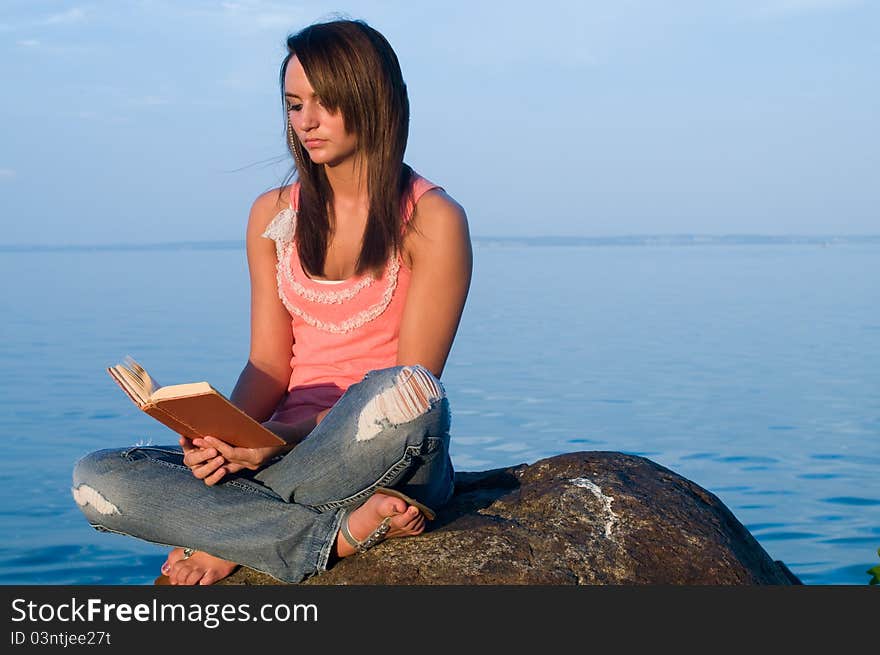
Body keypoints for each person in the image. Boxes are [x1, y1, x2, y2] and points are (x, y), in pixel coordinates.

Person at [72, 18, 472, 585]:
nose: (305, 121)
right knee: (97, 478)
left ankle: (223, 532)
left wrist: (274, 445)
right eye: (293, 105)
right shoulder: (272, 215)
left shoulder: (433, 219)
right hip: (277, 451)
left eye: (324, 102)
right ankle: (323, 534)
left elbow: (413, 386)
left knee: (400, 397)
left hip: (378, 446)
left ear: (373, 99)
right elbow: (267, 362)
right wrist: (227, 438)